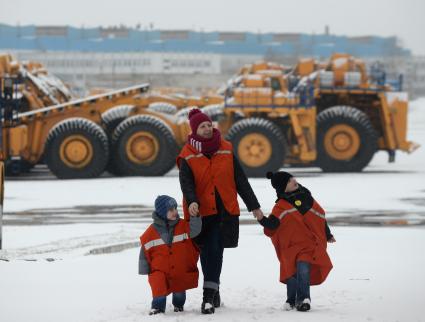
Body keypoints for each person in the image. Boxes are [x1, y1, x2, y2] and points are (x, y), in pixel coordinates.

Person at [177, 108, 264, 314]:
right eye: (202, 126)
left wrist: (255, 207)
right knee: (207, 252)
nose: (207, 129)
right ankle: (214, 290)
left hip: (224, 211)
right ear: (195, 130)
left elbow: (240, 181)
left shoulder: (226, 148)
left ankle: (208, 296)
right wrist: (191, 201)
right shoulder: (187, 155)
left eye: (209, 125)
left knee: (215, 249)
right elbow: (186, 183)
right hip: (200, 212)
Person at [256, 171, 335, 312]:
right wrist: (262, 219)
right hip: (291, 247)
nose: (294, 180)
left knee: (303, 269)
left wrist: (327, 234)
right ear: (283, 187)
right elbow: (273, 225)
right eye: (289, 180)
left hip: (308, 244)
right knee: (291, 272)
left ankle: (304, 299)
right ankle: (291, 300)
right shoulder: (280, 206)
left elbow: (319, 217)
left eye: (293, 178)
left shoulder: (307, 197)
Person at [138, 195, 201, 315]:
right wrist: (144, 268)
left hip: (178, 268)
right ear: (162, 212)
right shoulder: (150, 232)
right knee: (158, 289)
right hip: (159, 270)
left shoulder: (183, 225)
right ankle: (157, 308)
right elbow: (144, 250)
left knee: (179, 293)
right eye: (171, 210)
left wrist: (195, 216)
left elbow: (195, 230)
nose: (175, 212)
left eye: (175, 209)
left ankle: (178, 306)